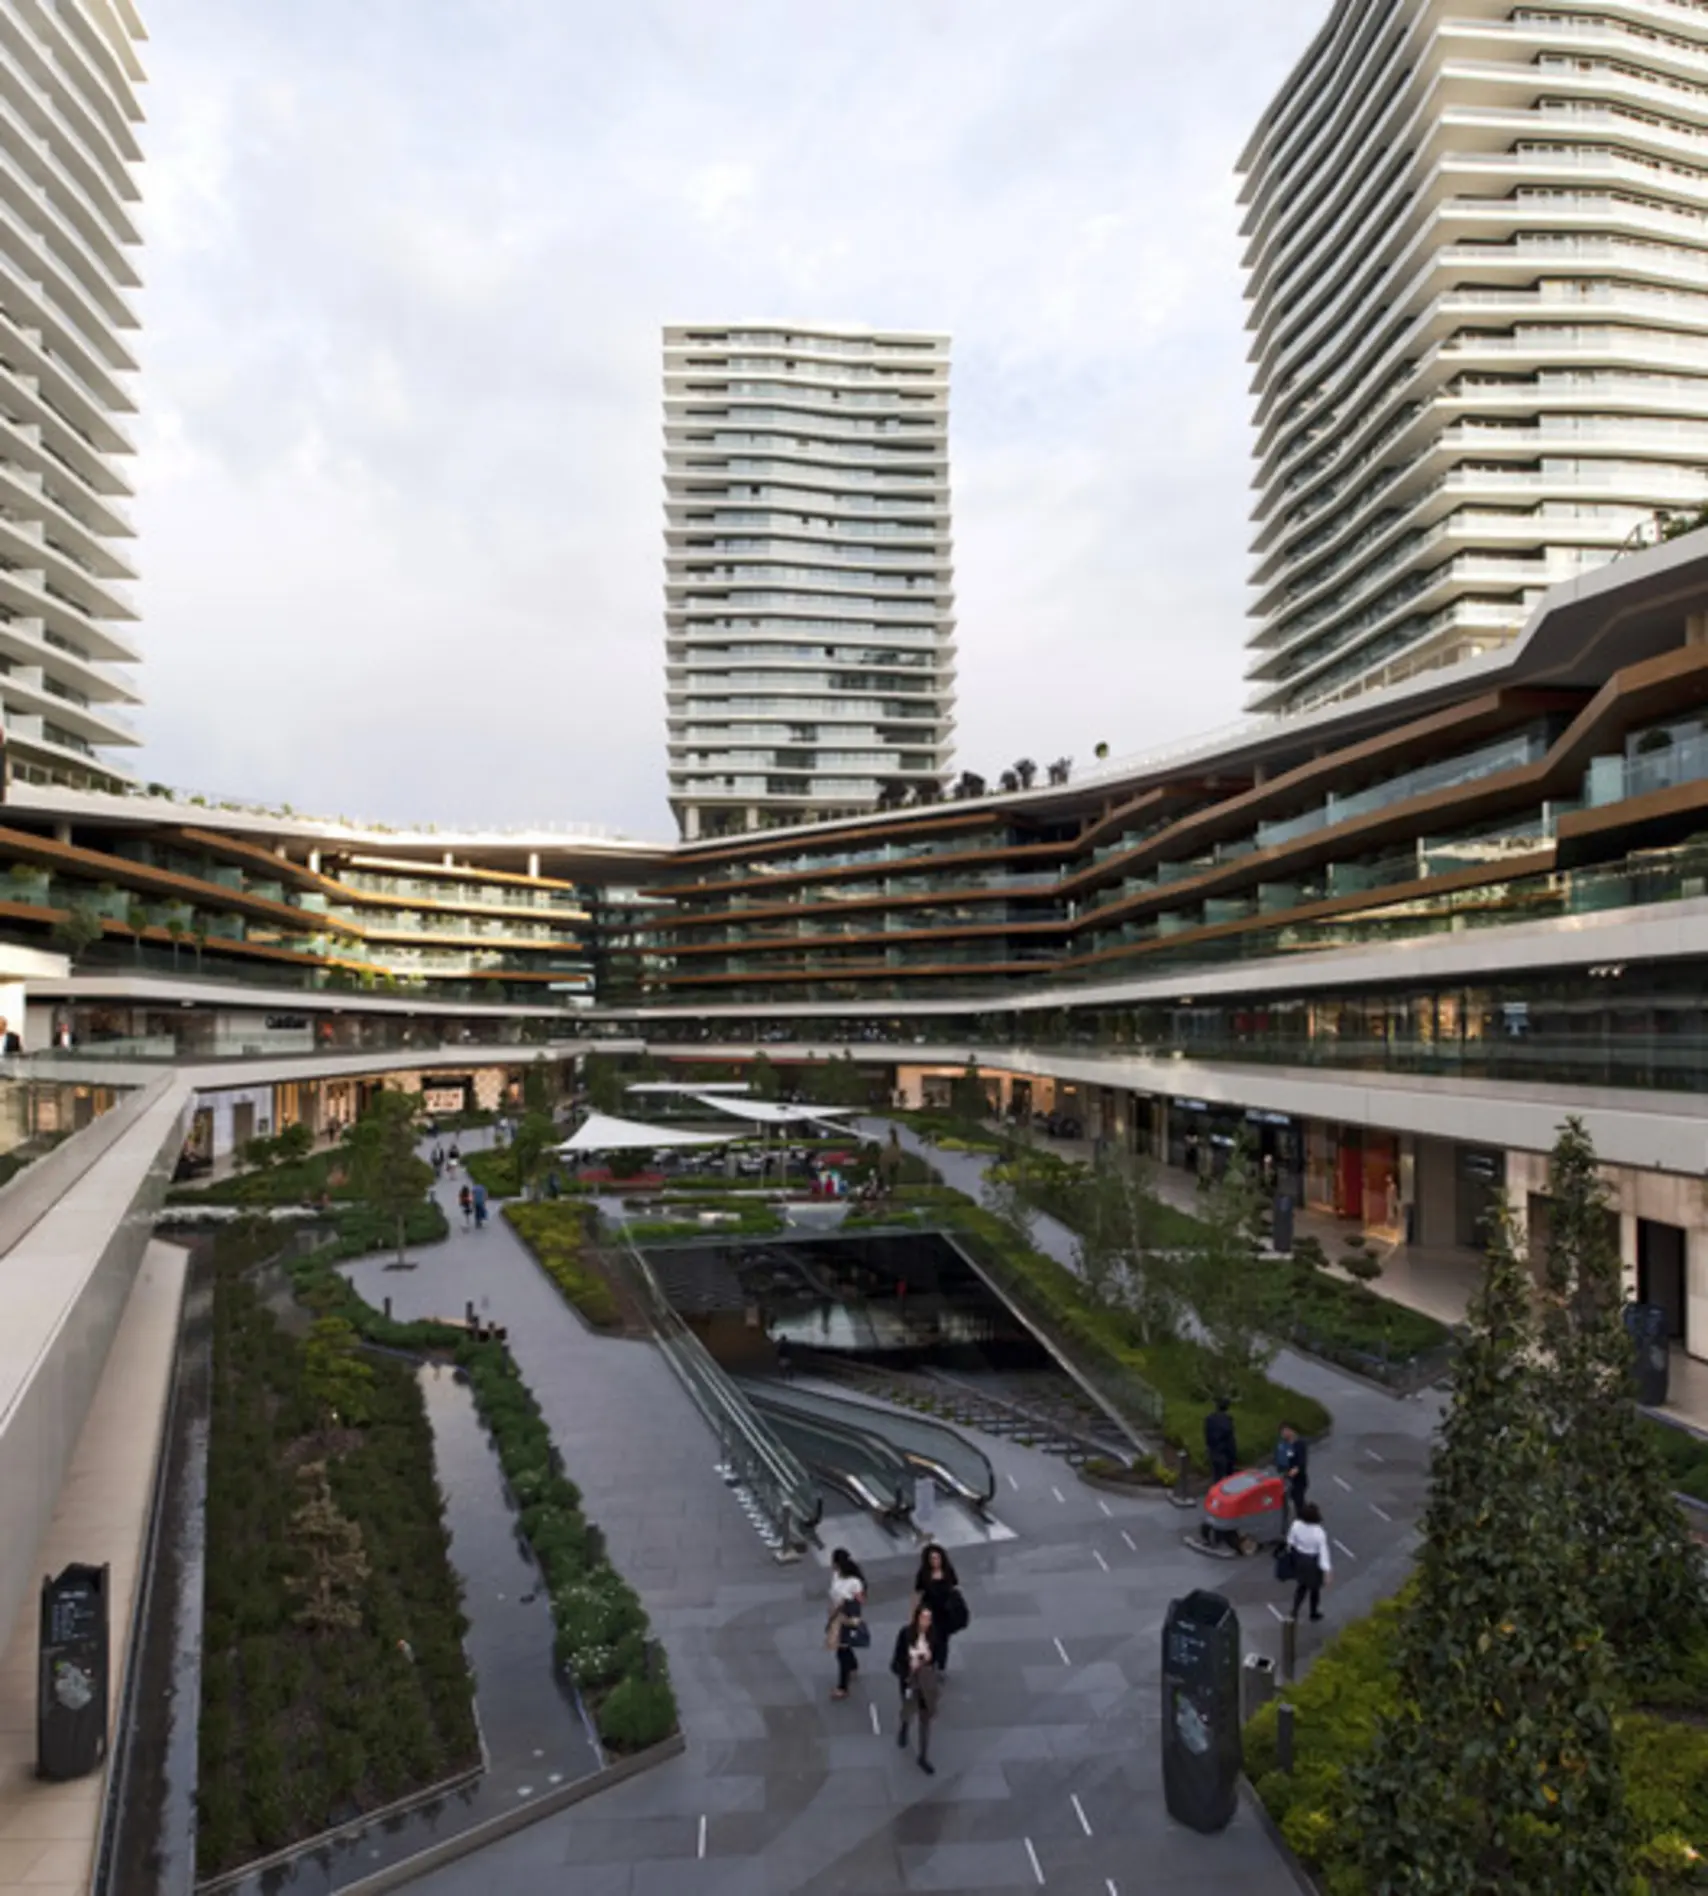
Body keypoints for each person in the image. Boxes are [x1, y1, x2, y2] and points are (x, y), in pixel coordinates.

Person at [890, 1603, 941, 1774]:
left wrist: (928, 1658)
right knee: (908, 1708)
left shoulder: (933, 1635)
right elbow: (897, 1658)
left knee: (925, 1720)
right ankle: (904, 1728)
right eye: (923, 1617)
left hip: (925, 1682)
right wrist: (907, 1667)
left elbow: (937, 1657)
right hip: (910, 1681)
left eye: (929, 1618)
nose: (926, 1622)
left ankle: (923, 1756)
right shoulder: (906, 1634)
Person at [912, 1544, 966, 1675]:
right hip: (930, 1610)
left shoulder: (948, 1571)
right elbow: (917, 1593)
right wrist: (914, 1612)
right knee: (930, 1637)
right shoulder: (923, 1574)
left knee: (943, 1639)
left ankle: (940, 1664)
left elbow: (955, 1586)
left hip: (946, 1611)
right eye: (932, 1558)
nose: (935, 1561)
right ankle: (932, 1661)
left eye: (937, 1558)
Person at [826, 1548, 867, 1699]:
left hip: (847, 1617)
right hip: (836, 1614)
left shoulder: (854, 1582)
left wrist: (848, 1601)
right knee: (844, 1645)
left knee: (841, 1650)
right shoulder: (836, 1575)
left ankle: (843, 1687)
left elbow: (861, 1600)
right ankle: (853, 1666)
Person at [1284, 1501, 1333, 1622]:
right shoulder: (1319, 1532)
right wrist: (1327, 1572)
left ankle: (1294, 1611)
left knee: (1301, 1587)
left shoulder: (1296, 1525)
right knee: (1314, 1589)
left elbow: (1290, 1542)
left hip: (1300, 1558)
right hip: (1313, 1561)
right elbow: (1323, 1553)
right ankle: (1313, 1612)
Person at [1276, 1422, 1309, 1514]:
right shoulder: (1282, 1444)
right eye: (1281, 1432)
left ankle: (1303, 1517)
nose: (1283, 1434)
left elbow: (1302, 1462)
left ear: (1291, 1431)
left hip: (1298, 1479)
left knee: (1298, 1501)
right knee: (1284, 1502)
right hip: (1285, 1478)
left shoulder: (1300, 1444)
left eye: (1285, 1431)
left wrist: (1294, 1471)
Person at [1205, 1398, 1238, 1483]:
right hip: (1225, 1454)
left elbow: (1207, 1435)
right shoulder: (1227, 1421)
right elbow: (1230, 1441)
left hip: (1214, 1452)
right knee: (1229, 1479)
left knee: (1217, 1477)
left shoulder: (1209, 1419)